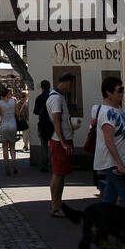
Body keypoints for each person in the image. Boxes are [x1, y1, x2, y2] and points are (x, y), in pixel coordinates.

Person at [94, 75, 125, 213]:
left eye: (122, 89)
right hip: (113, 164)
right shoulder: (107, 113)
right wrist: (119, 163)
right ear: (109, 92)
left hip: (123, 162)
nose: (122, 93)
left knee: (110, 198)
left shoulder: (124, 112)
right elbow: (109, 140)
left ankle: (102, 227)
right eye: (119, 90)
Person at [47, 72, 76, 217]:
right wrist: (63, 141)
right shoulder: (56, 99)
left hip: (62, 139)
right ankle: (54, 205)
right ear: (66, 82)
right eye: (71, 85)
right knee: (58, 174)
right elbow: (56, 121)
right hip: (58, 141)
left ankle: (58, 202)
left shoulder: (58, 97)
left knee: (61, 173)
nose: (71, 88)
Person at [0, 84, 19, 175]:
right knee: (12, 147)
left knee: (4, 148)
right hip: (13, 124)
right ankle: (14, 164)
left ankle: (6, 166)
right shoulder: (13, 101)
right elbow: (17, 113)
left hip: (3, 125)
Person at [33, 80, 53, 167]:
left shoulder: (39, 98)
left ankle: (44, 165)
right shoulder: (52, 97)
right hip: (53, 123)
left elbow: (36, 111)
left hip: (43, 123)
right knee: (53, 143)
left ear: (42, 88)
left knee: (44, 144)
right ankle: (53, 163)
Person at [16, 86, 31, 152]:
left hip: (22, 120)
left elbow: (17, 113)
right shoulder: (29, 102)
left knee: (25, 133)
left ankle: (25, 145)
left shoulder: (18, 103)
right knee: (30, 132)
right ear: (26, 96)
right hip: (28, 119)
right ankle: (28, 144)